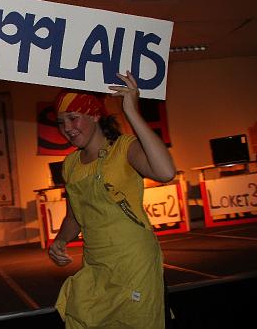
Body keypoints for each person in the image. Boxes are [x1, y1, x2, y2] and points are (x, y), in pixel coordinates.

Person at [48, 71, 176, 329]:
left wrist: (132, 112)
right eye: (62, 123)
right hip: (96, 264)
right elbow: (74, 217)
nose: (68, 129)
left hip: (134, 264)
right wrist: (61, 239)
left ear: (95, 115)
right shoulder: (70, 165)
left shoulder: (124, 148)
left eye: (73, 118)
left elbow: (165, 172)